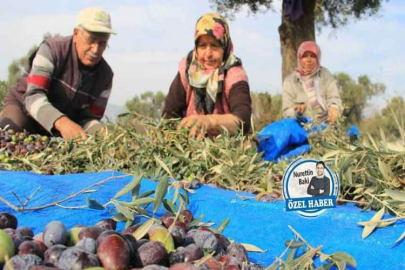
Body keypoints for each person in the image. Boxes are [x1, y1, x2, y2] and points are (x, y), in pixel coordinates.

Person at [0, 7, 116, 141]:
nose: (95, 49)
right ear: (76, 34)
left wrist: (103, 134)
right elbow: (33, 96)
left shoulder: (105, 77)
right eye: (91, 40)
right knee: (8, 138)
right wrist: (61, 121)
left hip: (60, 126)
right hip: (24, 109)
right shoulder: (52, 50)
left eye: (102, 43)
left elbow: (90, 118)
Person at [162, 13, 252, 139]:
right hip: (192, 148)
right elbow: (169, 117)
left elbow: (243, 121)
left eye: (215, 45)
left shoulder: (234, 74)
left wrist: (210, 122)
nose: (208, 54)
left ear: (225, 46)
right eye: (202, 45)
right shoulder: (187, 70)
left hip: (228, 150)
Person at [282, 41, 342, 123]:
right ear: (299, 58)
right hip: (303, 127)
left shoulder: (325, 74)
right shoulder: (289, 82)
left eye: (313, 56)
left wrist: (334, 107)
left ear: (318, 58)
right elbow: (286, 111)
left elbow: (334, 97)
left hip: (326, 125)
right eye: (305, 56)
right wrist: (296, 112)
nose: (308, 60)